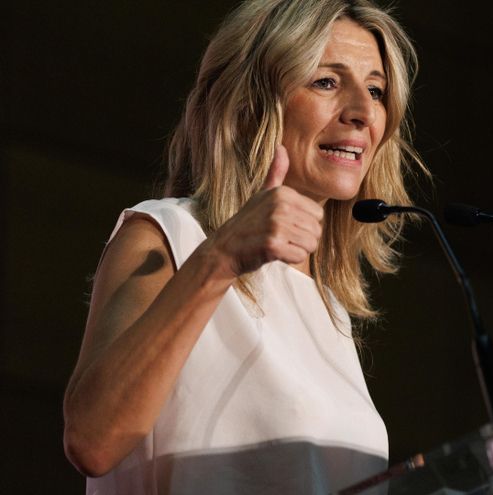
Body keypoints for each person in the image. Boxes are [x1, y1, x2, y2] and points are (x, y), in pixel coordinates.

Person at [62, 0, 426, 492]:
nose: (363, 112)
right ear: (253, 103)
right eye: (326, 81)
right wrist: (222, 257)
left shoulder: (330, 308)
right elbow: (92, 441)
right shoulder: (168, 235)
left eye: (377, 90)